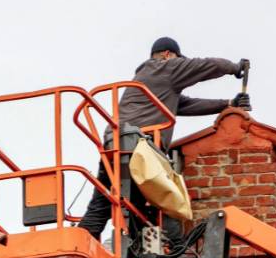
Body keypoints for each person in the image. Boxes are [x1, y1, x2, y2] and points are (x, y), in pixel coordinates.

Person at [78, 36, 250, 244]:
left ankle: (83, 241)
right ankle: (168, 248)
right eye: (178, 60)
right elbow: (206, 66)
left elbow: (186, 105)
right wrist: (234, 67)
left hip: (114, 145)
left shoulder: (147, 79)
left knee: (104, 201)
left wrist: (229, 103)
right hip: (140, 146)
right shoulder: (164, 68)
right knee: (165, 201)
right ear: (168, 55)